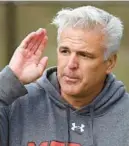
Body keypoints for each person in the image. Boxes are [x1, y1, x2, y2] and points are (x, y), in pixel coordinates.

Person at [0, 5, 128, 146]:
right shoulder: (13, 104)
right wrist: (7, 83)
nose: (71, 64)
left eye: (84, 55)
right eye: (65, 51)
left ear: (109, 63)